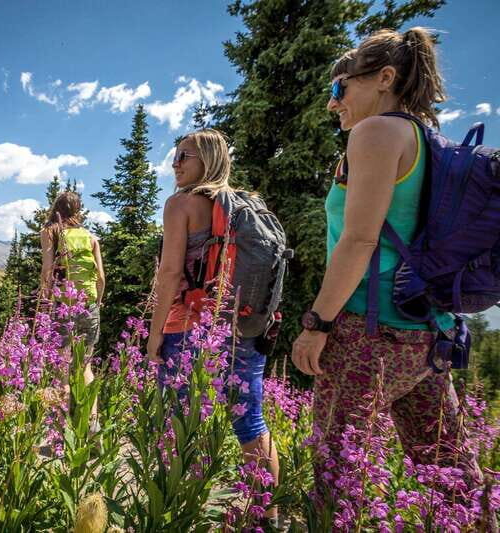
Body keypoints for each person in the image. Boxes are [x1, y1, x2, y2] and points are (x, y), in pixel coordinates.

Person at [291, 27, 481, 494]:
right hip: (427, 332)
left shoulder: (376, 132)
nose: (333, 103)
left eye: (340, 87)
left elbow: (359, 240)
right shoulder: (427, 140)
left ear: (385, 78)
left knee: (336, 472)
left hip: (369, 332)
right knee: (451, 473)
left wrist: (318, 323)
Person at [146, 128, 280, 525]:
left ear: (208, 160)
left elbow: (170, 272)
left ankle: (179, 510)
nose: (175, 164)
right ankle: (268, 517)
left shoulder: (180, 204)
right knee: (251, 421)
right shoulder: (245, 204)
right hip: (242, 326)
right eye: (175, 156)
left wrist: (154, 332)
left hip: (187, 326)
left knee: (179, 421)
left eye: (184, 156)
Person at [40, 191, 105, 423]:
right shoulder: (91, 237)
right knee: (85, 367)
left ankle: (62, 425)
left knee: (63, 369)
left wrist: (46, 300)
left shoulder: (50, 232)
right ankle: (92, 423)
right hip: (88, 305)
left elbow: (48, 271)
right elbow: (101, 278)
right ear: (78, 211)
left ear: (55, 208)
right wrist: (96, 303)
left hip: (63, 306)